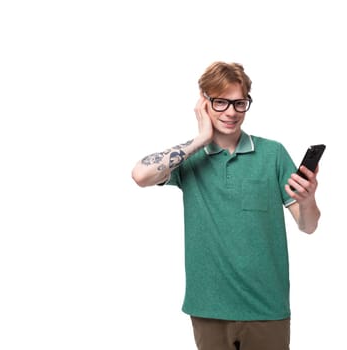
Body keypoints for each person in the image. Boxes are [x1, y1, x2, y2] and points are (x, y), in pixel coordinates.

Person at [132, 61, 321, 350]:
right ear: (203, 103)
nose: (231, 112)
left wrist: (308, 200)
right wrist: (201, 139)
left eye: (239, 103)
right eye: (220, 102)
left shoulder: (273, 153)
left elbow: (308, 226)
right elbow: (140, 175)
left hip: (267, 308)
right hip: (208, 307)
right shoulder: (189, 157)